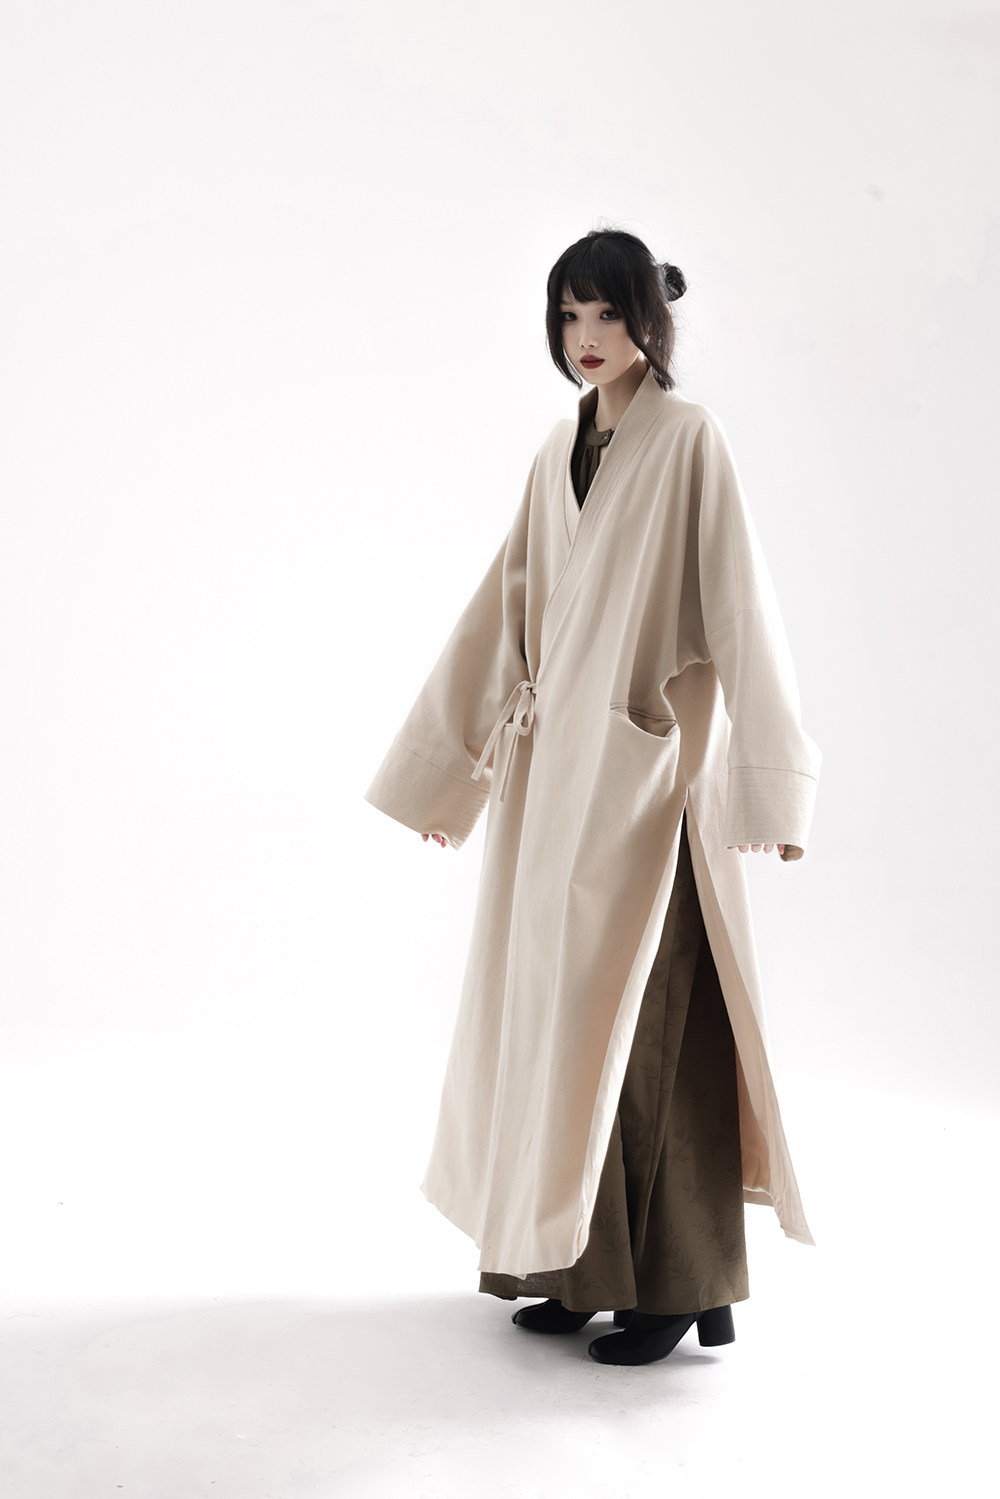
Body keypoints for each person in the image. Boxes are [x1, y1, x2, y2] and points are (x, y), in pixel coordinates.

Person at [364, 226, 821, 1367]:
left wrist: (768, 787)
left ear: (649, 319)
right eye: (569, 315)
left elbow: (742, 608)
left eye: (607, 313)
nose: (586, 337)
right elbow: (503, 608)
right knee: (555, 1031)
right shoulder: (556, 451)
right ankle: (569, 1268)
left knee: (645, 1024)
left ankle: (672, 1284)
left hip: (644, 789)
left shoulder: (689, 440)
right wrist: (454, 770)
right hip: (550, 788)